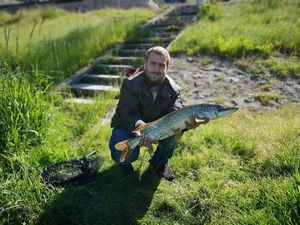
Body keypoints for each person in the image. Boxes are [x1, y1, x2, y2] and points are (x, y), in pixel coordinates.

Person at [109, 46, 209, 181]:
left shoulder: (174, 90)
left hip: (158, 129)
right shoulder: (130, 83)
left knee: (173, 135)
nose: (156, 69)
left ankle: (158, 164)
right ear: (145, 64)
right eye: (153, 63)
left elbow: (175, 115)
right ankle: (124, 163)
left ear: (167, 67)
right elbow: (127, 113)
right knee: (121, 152)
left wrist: (187, 126)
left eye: (161, 65)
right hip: (128, 126)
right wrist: (142, 129)